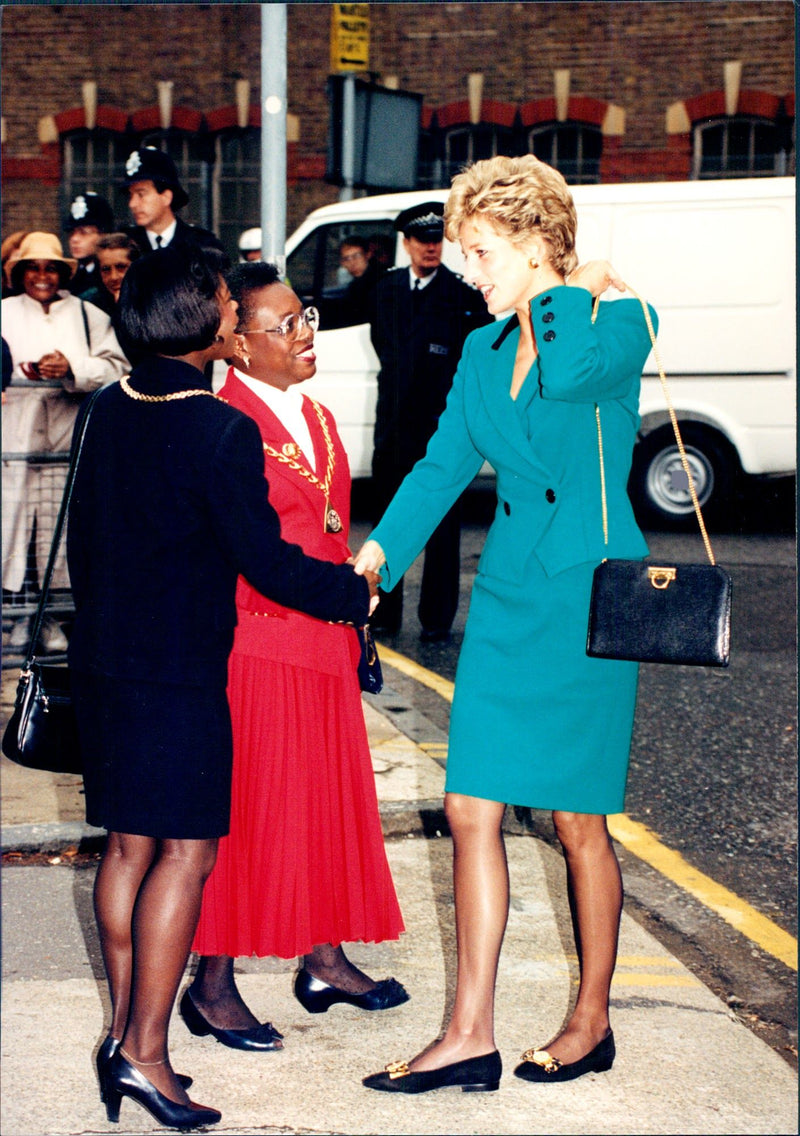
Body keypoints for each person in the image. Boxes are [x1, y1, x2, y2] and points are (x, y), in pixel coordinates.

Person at [354, 155, 657, 1094]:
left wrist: (569, 290)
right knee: (468, 807)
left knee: (577, 822)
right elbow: (440, 468)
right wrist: (374, 565)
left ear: (533, 244)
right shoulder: (482, 354)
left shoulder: (617, 320)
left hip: (586, 599)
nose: (466, 273)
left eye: (481, 253)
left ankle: (592, 1018)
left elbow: (569, 377)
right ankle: (468, 1033)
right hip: (513, 599)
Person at [66, 245, 379, 1131]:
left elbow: (84, 542)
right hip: (182, 671)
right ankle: (146, 1055)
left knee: (128, 850)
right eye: (226, 305)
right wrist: (353, 593)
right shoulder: (217, 427)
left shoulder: (105, 408)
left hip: (106, 663)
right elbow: (268, 563)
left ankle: (124, 1037)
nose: (237, 317)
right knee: (188, 856)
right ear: (201, 324)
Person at [187, 262, 408, 1050]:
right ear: (238, 345)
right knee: (252, 815)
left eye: (303, 315)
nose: (305, 332)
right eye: (283, 325)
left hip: (323, 640)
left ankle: (323, 959)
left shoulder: (312, 414)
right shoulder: (226, 422)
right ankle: (211, 985)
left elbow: (326, 521)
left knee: (320, 805)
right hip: (264, 643)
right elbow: (251, 555)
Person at [369, 200, 491, 641]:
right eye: (422, 240)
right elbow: (386, 350)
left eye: (438, 240)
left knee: (442, 531)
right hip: (394, 430)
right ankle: (383, 612)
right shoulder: (385, 289)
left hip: (440, 431)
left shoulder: (462, 296)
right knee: (389, 519)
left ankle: (436, 620)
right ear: (406, 244)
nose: (431, 248)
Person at [1, 231, 128, 652]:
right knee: (13, 530)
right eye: (33, 268)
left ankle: (50, 621)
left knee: (58, 534)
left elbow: (116, 369)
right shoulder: (4, 312)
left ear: (62, 272)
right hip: (13, 444)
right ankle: (15, 618)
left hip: (64, 445)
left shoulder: (89, 315)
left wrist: (71, 366)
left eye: (50, 268)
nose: (42, 276)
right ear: (19, 274)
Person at [123, 146, 224, 258]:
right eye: (130, 195)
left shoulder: (202, 245)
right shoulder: (123, 246)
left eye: (141, 194)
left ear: (166, 197)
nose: (132, 204)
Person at [63, 191, 115, 302]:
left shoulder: (111, 275)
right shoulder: (68, 276)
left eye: (84, 232)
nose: (74, 239)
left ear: (104, 235)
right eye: (71, 232)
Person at [338, 236, 381, 326]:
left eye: (356, 256)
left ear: (368, 255)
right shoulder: (355, 285)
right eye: (346, 259)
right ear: (342, 263)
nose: (352, 262)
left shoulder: (378, 281)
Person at [95, 232, 141, 308]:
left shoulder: (156, 300)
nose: (114, 277)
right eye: (106, 269)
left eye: (121, 267)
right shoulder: (94, 309)